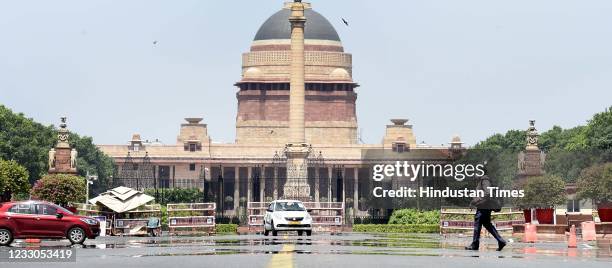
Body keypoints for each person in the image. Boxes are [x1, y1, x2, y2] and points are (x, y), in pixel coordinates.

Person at [465, 175, 507, 251]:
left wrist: (475, 201)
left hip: (483, 207)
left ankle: (475, 244)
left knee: (477, 225)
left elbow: (487, 193)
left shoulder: (485, 180)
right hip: (485, 206)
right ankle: (500, 241)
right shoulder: (482, 181)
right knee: (487, 225)